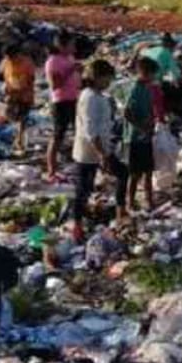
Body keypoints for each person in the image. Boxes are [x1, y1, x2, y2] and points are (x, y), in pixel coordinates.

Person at [72, 59, 129, 233]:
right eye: (107, 79)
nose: (109, 83)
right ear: (97, 78)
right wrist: (102, 154)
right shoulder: (89, 97)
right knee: (84, 189)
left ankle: (121, 212)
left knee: (122, 174)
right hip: (90, 151)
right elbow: (91, 129)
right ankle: (77, 225)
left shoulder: (98, 96)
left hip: (102, 148)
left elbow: (104, 122)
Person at [138, 33, 182, 137]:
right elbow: (176, 75)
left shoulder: (151, 50)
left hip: (142, 78)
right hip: (153, 83)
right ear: (169, 45)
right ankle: (170, 118)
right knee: (178, 97)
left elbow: (139, 53)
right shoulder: (167, 53)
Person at [45, 32, 82, 182]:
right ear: (62, 46)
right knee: (58, 136)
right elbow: (55, 85)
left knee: (80, 133)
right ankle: (51, 170)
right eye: (71, 44)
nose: (74, 47)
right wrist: (72, 70)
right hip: (61, 102)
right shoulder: (53, 62)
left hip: (74, 99)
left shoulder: (69, 58)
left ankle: (79, 165)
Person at [125, 57, 158, 212]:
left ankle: (149, 201)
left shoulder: (147, 88)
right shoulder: (135, 89)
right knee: (135, 173)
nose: (154, 78)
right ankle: (130, 201)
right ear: (144, 73)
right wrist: (142, 128)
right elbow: (127, 113)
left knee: (149, 171)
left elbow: (149, 109)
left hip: (146, 137)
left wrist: (152, 124)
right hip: (134, 138)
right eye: (152, 74)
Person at [1, 43, 36, 156]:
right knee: (10, 115)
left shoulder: (27, 63)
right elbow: (5, 76)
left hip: (25, 95)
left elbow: (31, 80)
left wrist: (21, 88)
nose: (9, 59)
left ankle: (20, 140)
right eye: (7, 57)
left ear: (18, 54)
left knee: (23, 118)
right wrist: (7, 88)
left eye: (11, 57)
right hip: (11, 94)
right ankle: (16, 137)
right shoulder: (6, 62)